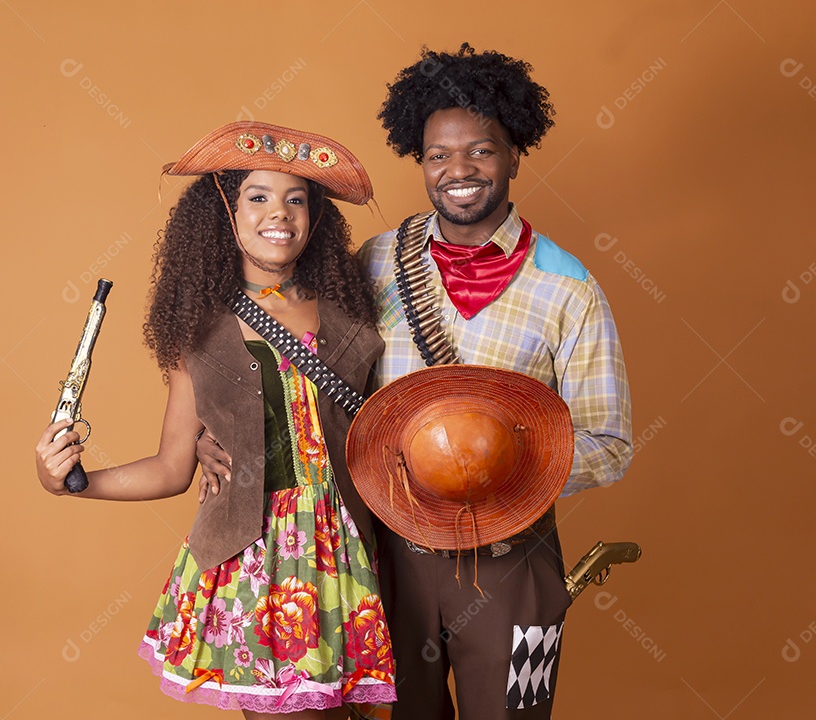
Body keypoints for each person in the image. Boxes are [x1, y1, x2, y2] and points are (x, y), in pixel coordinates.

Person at [200, 44, 633, 719]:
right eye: (438, 155)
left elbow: (610, 442)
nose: (459, 170)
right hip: (386, 554)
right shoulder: (375, 262)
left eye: (481, 151)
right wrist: (228, 435)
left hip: (510, 558)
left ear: (515, 155)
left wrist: (495, 469)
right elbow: (308, 375)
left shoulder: (567, 287)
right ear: (421, 162)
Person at [34, 121, 396, 718]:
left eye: (297, 199)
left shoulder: (350, 310)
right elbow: (171, 468)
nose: (279, 213)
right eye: (258, 196)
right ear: (224, 212)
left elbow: (384, 426)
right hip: (253, 561)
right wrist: (71, 483)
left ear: (316, 217)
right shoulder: (200, 332)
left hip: (349, 549)